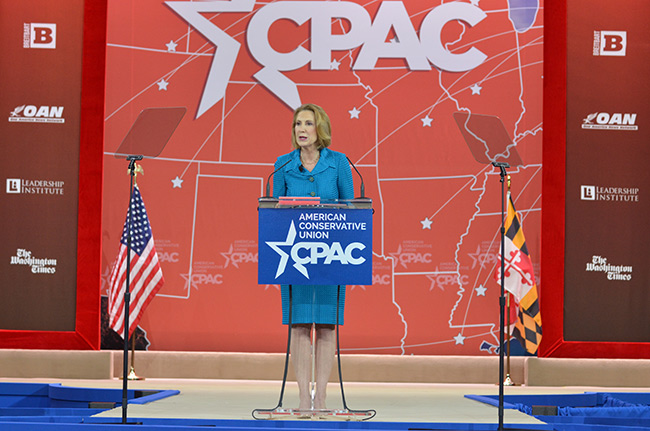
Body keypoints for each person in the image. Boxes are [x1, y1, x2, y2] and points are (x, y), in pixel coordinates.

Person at [272, 103, 354, 411]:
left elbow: (351, 208)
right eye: (297, 124)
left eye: (307, 123)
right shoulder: (282, 165)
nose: (301, 129)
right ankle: (303, 399)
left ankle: (322, 397)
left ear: (320, 128)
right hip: (295, 256)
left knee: (327, 325)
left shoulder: (339, 163)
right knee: (300, 325)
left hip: (332, 255)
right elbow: (273, 211)